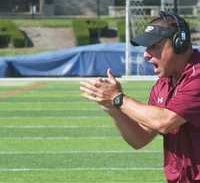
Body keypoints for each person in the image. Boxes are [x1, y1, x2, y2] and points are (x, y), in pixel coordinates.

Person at [80, 11, 200, 182]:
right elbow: (140, 139)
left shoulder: (198, 74)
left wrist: (118, 98)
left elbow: (164, 121)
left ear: (179, 44)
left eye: (154, 46)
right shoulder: (163, 84)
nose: (146, 54)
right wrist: (113, 108)